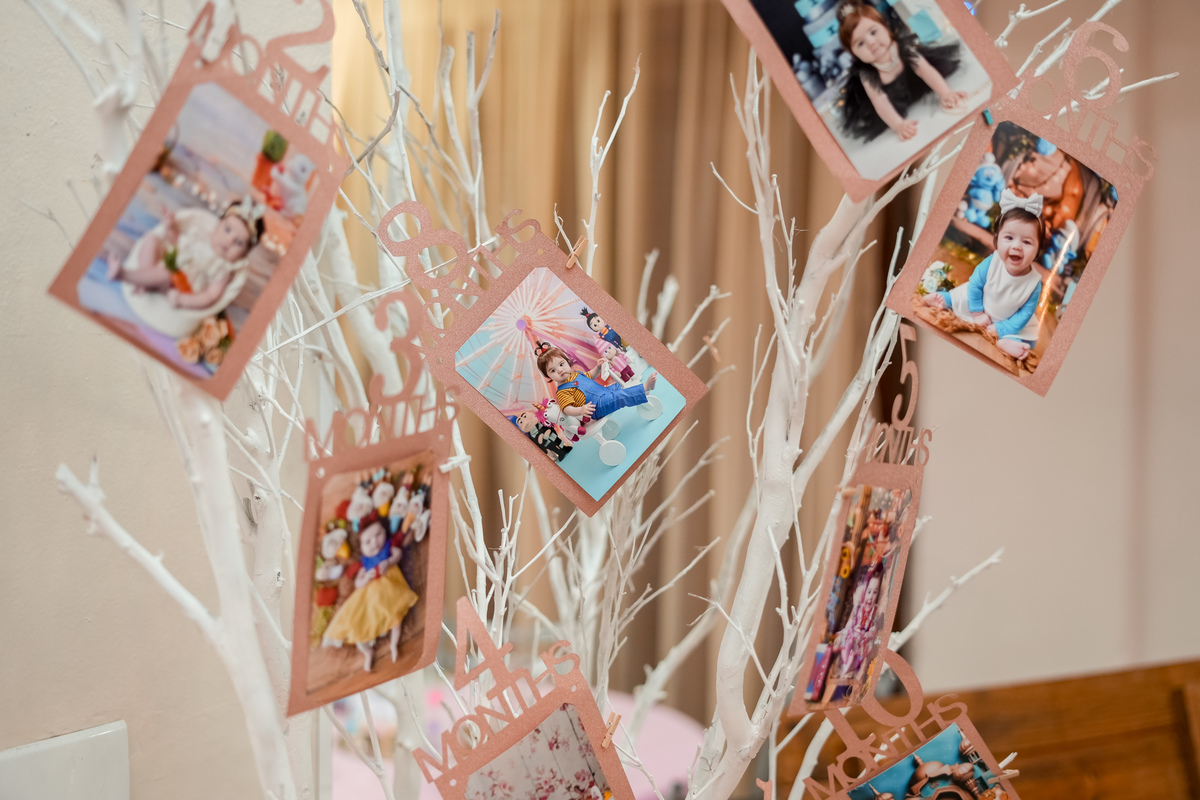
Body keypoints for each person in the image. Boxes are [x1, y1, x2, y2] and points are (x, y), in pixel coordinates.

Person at [921, 191, 1046, 361]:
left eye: (1027, 242)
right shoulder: (992, 262)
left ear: (1037, 251)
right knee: (960, 297)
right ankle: (943, 299)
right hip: (979, 303)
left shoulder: (1033, 284)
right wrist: (978, 313)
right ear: (997, 240)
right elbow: (975, 285)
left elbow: (1024, 315)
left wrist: (1000, 329)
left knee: (1030, 336)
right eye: (1009, 237)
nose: (1016, 246)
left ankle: (1008, 341)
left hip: (1008, 320)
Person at [836, 2, 966, 143]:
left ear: (885, 27)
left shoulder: (901, 48)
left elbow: (925, 69)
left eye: (873, 32)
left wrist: (945, 92)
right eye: (860, 43)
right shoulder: (867, 73)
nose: (871, 42)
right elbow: (880, 100)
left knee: (926, 66)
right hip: (894, 104)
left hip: (917, 84)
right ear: (853, 54)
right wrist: (898, 124)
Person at [107, 198, 264, 311]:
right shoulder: (201, 235)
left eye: (238, 243)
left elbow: (211, 296)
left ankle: (123, 274)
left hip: (181, 286)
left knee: (165, 274)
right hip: (168, 263)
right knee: (151, 241)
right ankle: (144, 282)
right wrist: (170, 227)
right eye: (227, 230)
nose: (229, 241)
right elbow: (176, 242)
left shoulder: (223, 268)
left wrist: (182, 300)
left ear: (244, 254)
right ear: (218, 225)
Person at [536, 346, 656, 432]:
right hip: (597, 406)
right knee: (618, 397)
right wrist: (580, 410)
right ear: (548, 376)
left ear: (567, 362)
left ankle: (640, 392)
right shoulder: (562, 391)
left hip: (604, 392)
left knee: (620, 384)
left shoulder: (576, 374)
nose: (559, 370)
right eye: (553, 370)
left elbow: (591, 376)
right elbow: (567, 409)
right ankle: (645, 387)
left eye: (561, 364)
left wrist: (598, 367)